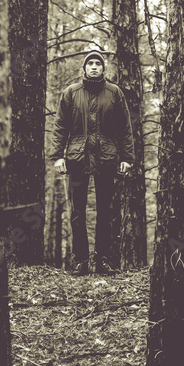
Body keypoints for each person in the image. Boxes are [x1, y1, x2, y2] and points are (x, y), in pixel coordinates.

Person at [50, 50, 135, 275]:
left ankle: (103, 261)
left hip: (107, 157)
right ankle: (81, 261)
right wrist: (57, 156)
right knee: (77, 212)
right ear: (85, 68)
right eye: (91, 64)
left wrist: (127, 158)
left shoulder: (114, 93)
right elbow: (60, 127)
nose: (95, 67)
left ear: (103, 68)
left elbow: (125, 128)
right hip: (77, 158)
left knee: (105, 211)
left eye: (98, 63)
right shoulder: (71, 93)